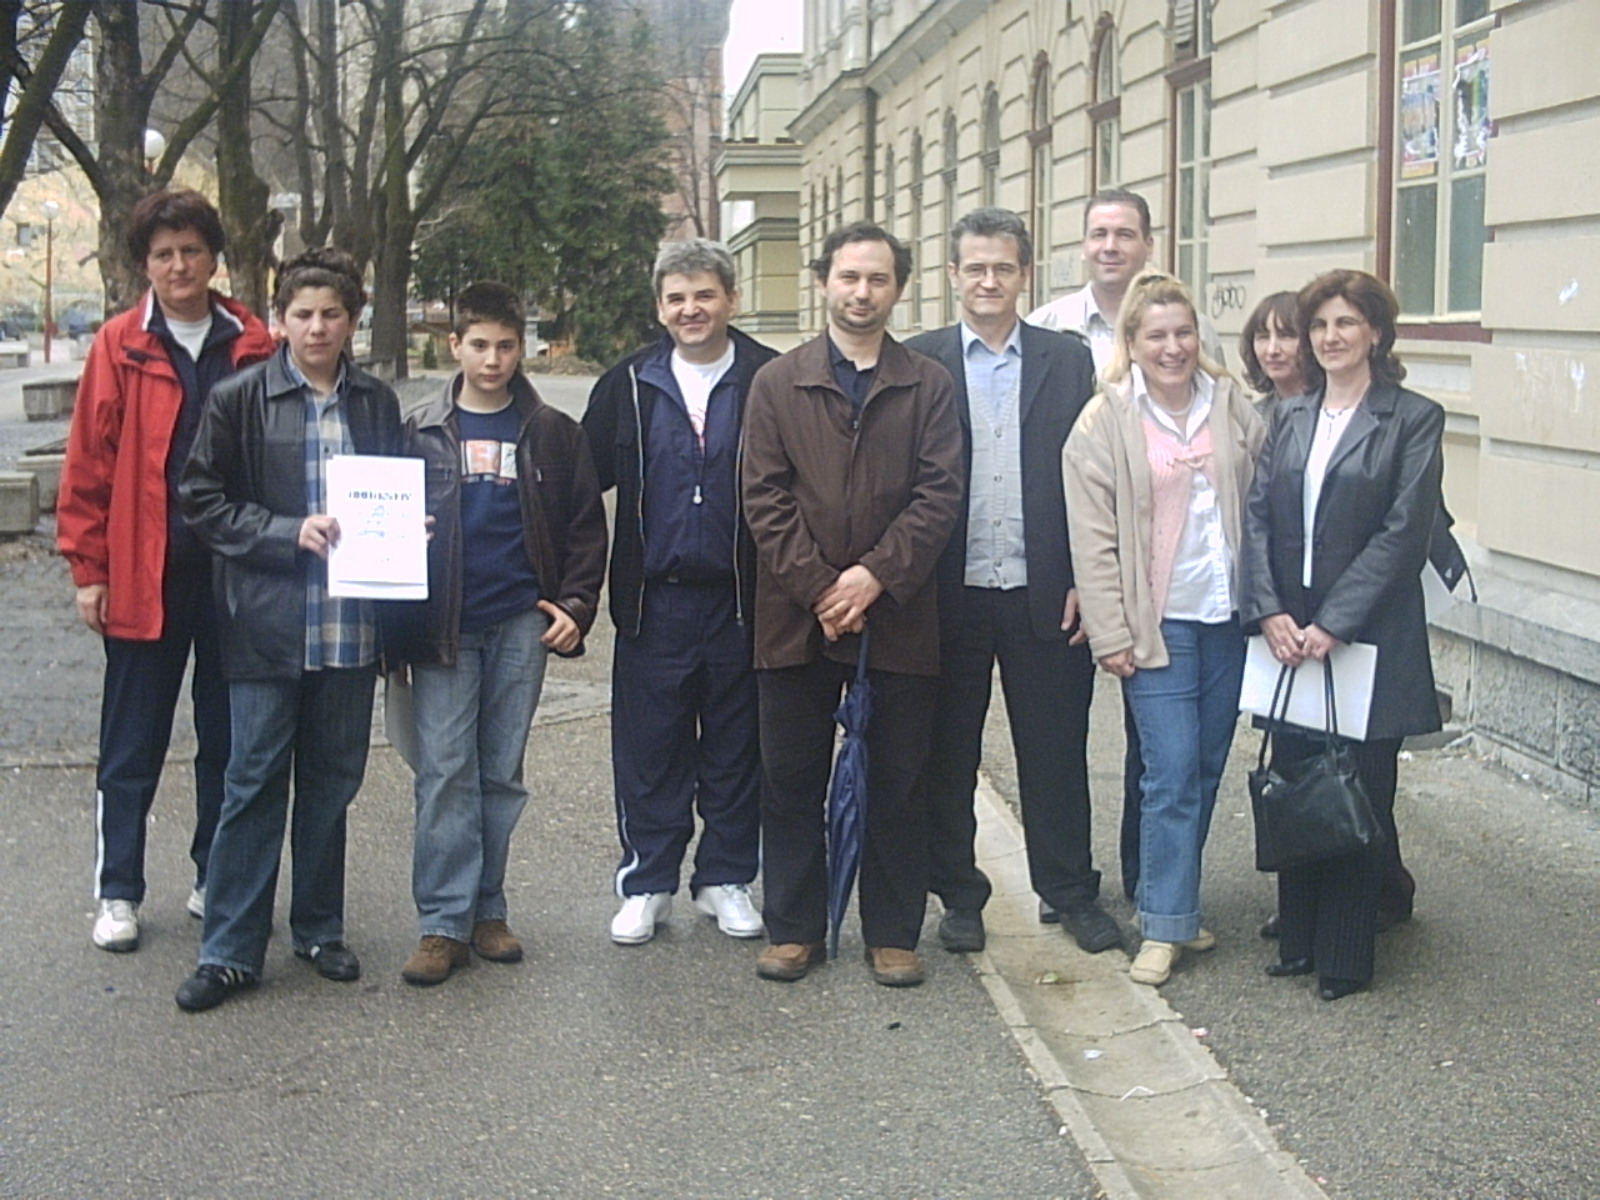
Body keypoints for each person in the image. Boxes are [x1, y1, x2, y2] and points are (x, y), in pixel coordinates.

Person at [172, 248, 405, 1012]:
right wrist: (283, 532)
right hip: (267, 624)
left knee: (332, 783)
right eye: (302, 314)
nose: (317, 327)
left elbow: (395, 489)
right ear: (279, 320)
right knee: (252, 783)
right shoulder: (241, 397)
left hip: (349, 625)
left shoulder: (376, 402)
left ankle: (318, 928)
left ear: (353, 320)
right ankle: (229, 950)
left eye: (331, 314)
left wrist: (408, 531)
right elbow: (200, 498)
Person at [742, 222, 963, 987]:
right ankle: (794, 928)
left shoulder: (928, 383)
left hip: (898, 615)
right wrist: (820, 588)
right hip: (794, 618)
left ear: (898, 288)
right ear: (823, 282)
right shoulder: (779, 382)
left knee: (898, 781)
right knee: (790, 778)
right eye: (848, 277)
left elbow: (939, 494)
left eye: (877, 279)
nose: (861, 292)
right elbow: (764, 496)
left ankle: (892, 933)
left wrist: (874, 577)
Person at [58, 189, 275, 952]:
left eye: (190, 251)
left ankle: (214, 875)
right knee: (132, 740)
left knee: (228, 738)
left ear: (213, 259)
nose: (178, 266)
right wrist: (89, 568)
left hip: (236, 577)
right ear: (145, 265)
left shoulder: (256, 343)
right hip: (144, 573)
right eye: (162, 254)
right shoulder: (119, 344)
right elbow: (89, 463)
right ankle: (118, 889)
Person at [902, 208, 1119, 956]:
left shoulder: (1067, 360)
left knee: (1055, 754)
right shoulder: (920, 361)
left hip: (1046, 591)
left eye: (1003, 267)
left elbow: (1093, 479)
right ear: (953, 275)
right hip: (948, 595)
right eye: (975, 268)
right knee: (947, 756)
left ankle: (1069, 893)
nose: (988, 280)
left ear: (1024, 274)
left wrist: (1088, 577)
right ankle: (959, 896)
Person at [387, 282, 606, 985]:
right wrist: (393, 629)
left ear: (522, 348)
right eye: (478, 345)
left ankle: (488, 910)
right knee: (445, 769)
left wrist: (575, 603)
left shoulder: (552, 431)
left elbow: (584, 528)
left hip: (519, 622)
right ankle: (442, 922)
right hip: (445, 625)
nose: (492, 359)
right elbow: (383, 529)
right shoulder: (419, 430)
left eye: (506, 346)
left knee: (500, 772)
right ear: (454, 345)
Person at [1241, 269, 1446, 1001]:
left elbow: (1404, 533)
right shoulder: (1289, 415)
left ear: (1376, 334)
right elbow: (1257, 518)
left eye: (1346, 323)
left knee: (1360, 790)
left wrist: (1334, 622)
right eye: (1320, 324)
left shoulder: (1413, 419)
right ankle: (1298, 939)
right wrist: (1269, 611)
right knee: (1297, 780)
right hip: (1287, 635)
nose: (1330, 337)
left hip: (1367, 635)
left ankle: (1346, 955)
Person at [1026, 188, 1225, 910]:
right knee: (1064, 735)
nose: (1110, 246)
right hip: (1081, 570)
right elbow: (1052, 467)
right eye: (1098, 233)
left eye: (1125, 234)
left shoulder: (1193, 340)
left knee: (1166, 756)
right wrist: (1080, 577)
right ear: (1083, 244)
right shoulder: (1046, 329)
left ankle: (1152, 883)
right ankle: (1069, 882)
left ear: (1147, 243)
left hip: (1180, 584)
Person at [1064, 273, 1265, 987]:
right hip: (1159, 625)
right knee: (1170, 772)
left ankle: (1171, 900)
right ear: (1133, 342)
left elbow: (1265, 501)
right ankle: (1163, 926)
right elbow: (1093, 539)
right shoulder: (1105, 419)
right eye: (1157, 335)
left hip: (1228, 619)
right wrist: (1110, 631)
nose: (1173, 347)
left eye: (1183, 333)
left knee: (1206, 768)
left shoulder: (1231, 405)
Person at [582, 241, 777, 946]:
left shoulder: (769, 378)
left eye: (704, 295)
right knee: (651, 751)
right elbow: (577, 484)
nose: (691, 310)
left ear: (731, 299)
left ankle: (725, 878)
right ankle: (648, 881)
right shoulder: (630, 383)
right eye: (676, 298)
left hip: (742, 603)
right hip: (654, 603)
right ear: (660, 307)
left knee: (736, 748)